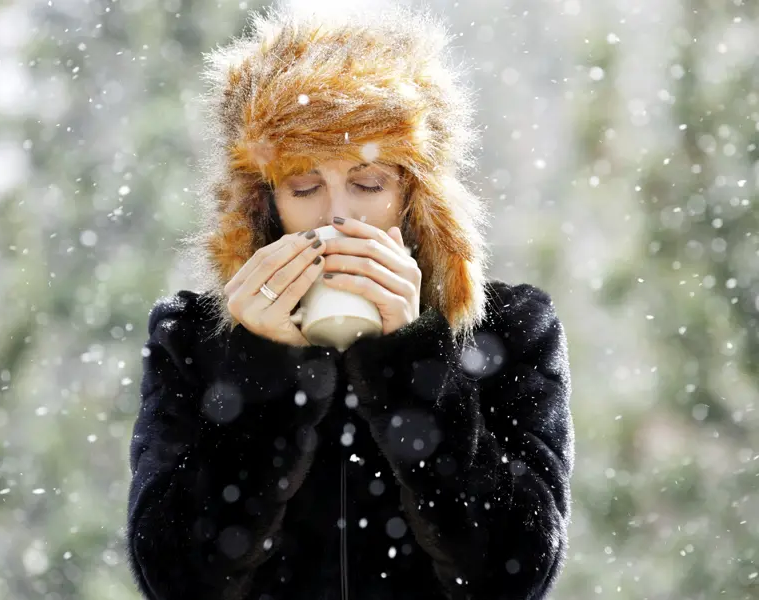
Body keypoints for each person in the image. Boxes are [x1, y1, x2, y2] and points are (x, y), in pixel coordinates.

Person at [125, 3, 575, 600]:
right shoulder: (194, 339)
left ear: (416, 196)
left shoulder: (508, 330)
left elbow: (512, 574)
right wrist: (264, 375)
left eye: (368, 184)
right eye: (304, 186)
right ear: (265, 204)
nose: (338, 216)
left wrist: (412, 364)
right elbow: (177, 579)